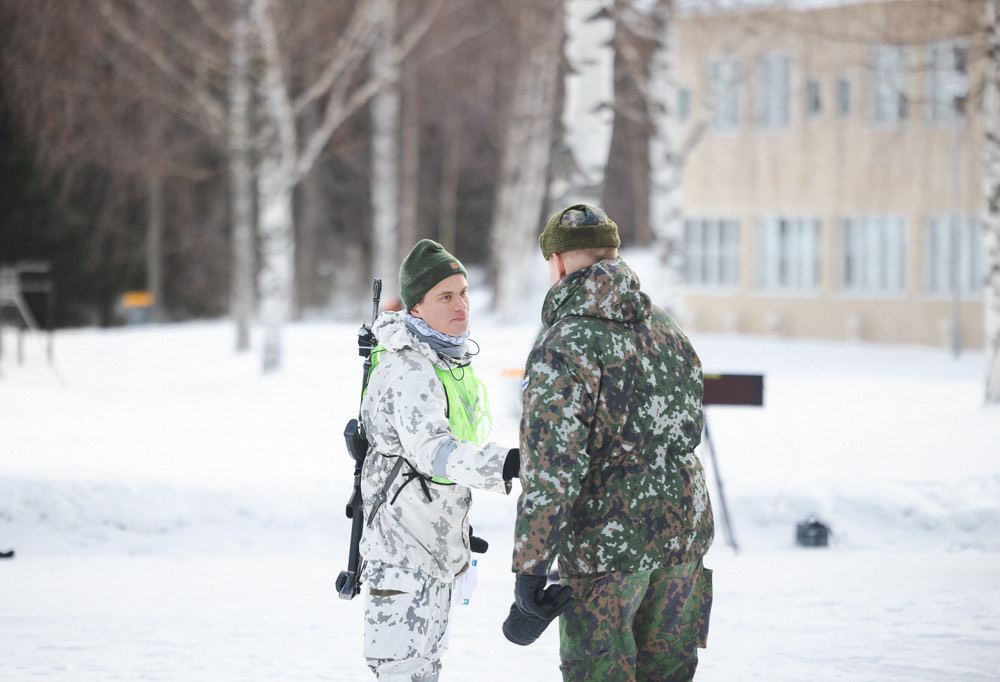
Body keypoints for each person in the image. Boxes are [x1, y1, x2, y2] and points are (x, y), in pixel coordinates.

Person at [503, 205, 714, 681]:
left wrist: (531, 567)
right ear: (614, 255)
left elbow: (552, 466)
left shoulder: (564, 343)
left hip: (606, 551)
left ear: (556, 263)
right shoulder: (666, 328)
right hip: (683, 537)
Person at [360, 239, 519, 681]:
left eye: (464, 292)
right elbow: (435, 453)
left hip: (431, 555)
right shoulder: (409, 368)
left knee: (425, 670)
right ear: (416, 309)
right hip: (402, 559)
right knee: (404, 673)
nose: (461, 304)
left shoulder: (444, 361)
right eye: (445, 296)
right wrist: (507, 464)